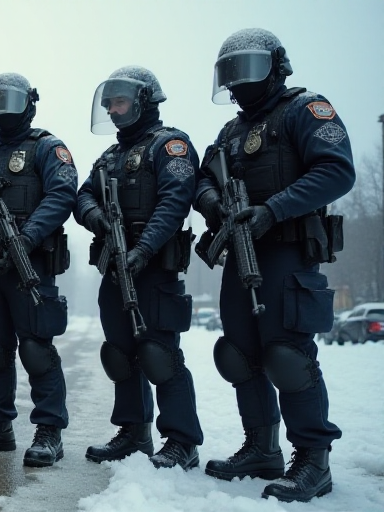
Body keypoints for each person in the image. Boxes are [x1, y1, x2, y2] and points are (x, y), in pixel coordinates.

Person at [195, 28, 351, 503]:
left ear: (276, 65)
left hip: (286, 250)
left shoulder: (306, 110)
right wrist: (216, 205)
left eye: (248, 67)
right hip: (239, 255)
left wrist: (272, 210)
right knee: (241, 357)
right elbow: (202, 180)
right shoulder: (231, 131)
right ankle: (262, 448)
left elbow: (336, 170)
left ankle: (312, 459)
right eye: (231, 71)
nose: (239, 80)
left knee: (287, 356)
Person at [75, 66, 203, 470]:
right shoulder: (109, 156)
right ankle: (134, 432)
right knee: (120, 354)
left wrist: (143, 249)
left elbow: (174, 202)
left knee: (159, 355)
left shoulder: (170, 146)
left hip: (155, 270)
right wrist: (97, 218)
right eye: (109, 102)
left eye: (120, 101)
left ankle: (182, 441)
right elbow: (82, 197)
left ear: (144, 101)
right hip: (115, 267)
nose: (113, 109)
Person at [0, 73, 76, 467]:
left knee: (37, 349)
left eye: (10, 100)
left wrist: (27, 236)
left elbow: (62, 195)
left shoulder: (47, 148)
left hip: (32, 263)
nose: (3, 108)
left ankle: (49, 431)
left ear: (29, 103)